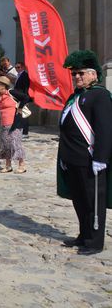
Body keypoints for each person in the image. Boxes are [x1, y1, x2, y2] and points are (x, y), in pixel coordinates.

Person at [58, 50, 112, 255]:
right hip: (72, 158)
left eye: (81, 73)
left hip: (90, 159)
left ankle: (95, 241)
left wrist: (100, 158)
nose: (77, 77)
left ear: (93, 74)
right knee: (79, 199)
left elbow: (105, 129)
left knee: (93, 201)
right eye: (74, 74)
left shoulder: (100, 95)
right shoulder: (75, 97)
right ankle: (84, 234)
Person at [0, 76, 28, 174]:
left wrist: (20, 108)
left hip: (15, 123)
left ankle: (22, 165)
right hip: (4, 124)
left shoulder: (11, 93)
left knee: (15, 144)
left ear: (4, 86)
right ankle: (8, 166)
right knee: (5, 145)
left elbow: (26, 97)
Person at [14, 61, 31, 137]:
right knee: (19, 114)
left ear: (23, 67)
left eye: (18, 67)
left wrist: (26, 99)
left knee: (24, 114)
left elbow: (26, 88)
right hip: (18, 98)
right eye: (16, 67)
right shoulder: (19, 75)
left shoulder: (25, 75)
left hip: (23, 98)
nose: (17, 69)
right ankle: (20, 130)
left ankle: (25, 132)